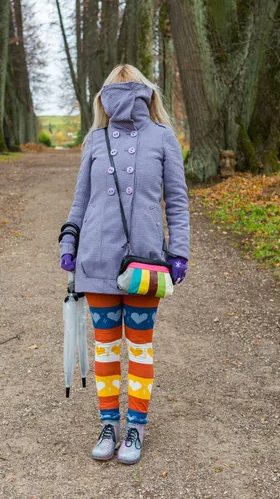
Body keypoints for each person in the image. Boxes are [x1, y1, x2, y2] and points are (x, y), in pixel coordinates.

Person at [59, 64, 190, 464]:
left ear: (145, 94)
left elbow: (177, 200)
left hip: (147, 262)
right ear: (105, 98)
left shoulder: (163, 138)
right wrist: (69, 239)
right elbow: (81, 199)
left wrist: (179, 250)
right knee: (106, 349)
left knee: (140, 347)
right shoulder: (94, 140)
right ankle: (108, 423)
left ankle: (135, 425)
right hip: (96, 260)